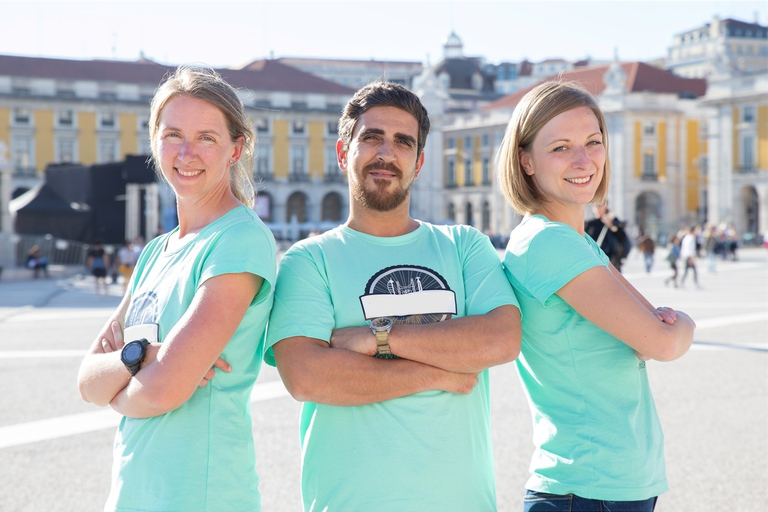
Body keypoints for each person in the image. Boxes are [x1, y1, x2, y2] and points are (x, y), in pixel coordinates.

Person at [265, 81, 522, 512]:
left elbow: (500, 340)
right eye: (372, 138)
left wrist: (377, 339)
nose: (387, 153)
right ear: (343, 152)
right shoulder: (308, 260)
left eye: (403, 142)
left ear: (419, 163)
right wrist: (437, 374)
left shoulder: (464, 245)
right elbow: (307, 376)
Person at [77, 66, 276, 512]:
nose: (187, 153)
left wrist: (125, 379)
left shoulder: (239, 240)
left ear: (235, 149)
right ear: (154, 142)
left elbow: (163, 391)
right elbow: (87, 383)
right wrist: (143, 358)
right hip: (132, 493)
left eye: (207, 137)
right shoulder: (156, 252)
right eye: (173, 135)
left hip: (202, 494)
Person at [496, 81, 696, 512]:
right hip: (586, 488)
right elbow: (662, 340)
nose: (584, 160)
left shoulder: (577, 242)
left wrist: (667, 327)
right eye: (561, 148)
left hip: (609, 484)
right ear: (526, 161)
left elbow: (652, 326)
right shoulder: (550, 244)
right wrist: (686, 323)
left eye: (593, 142)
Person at [584, 202, 630, 272]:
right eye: (595, 206)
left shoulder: (614, 221)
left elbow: (622, 239)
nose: (597, 208)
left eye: (600, 205)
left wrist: (611, 226)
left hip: (612, 261)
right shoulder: (589, 224)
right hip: (595, 261)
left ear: (606, 206)